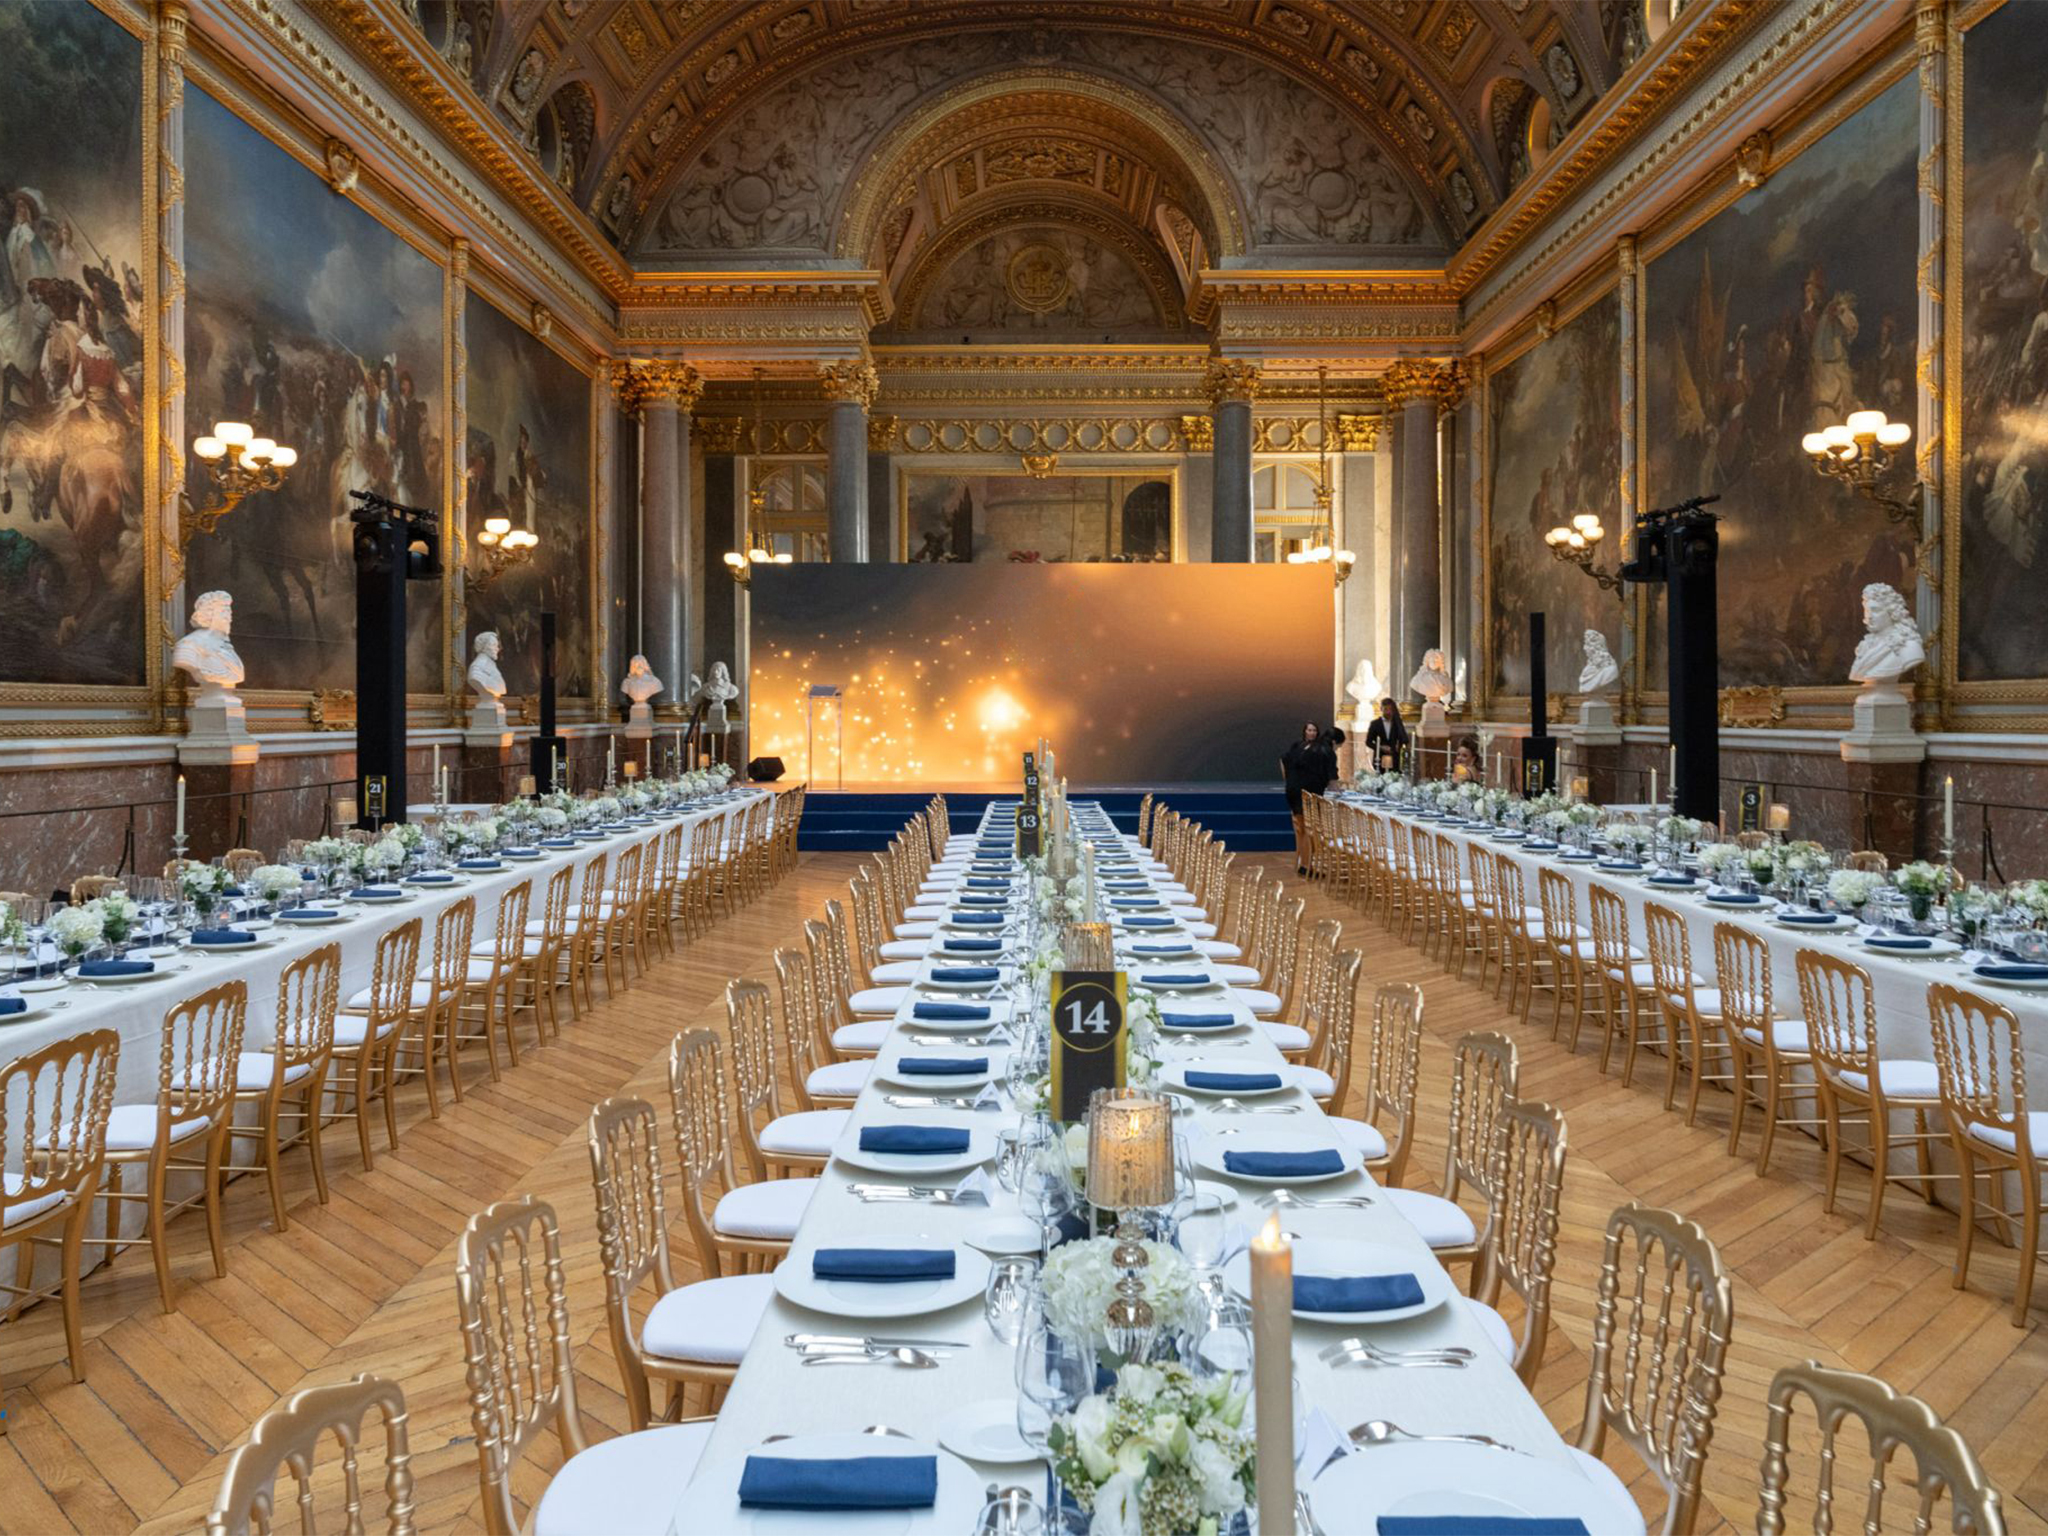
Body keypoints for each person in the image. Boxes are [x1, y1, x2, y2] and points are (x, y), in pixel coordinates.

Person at [1280, 721, 1345, 876]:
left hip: (1293, 792)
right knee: (1310, 830)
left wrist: (1289, 781)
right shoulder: (1327, 751)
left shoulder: (1304, 746)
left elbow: (1283, 760)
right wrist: (1340, 792)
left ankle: (1303, 864)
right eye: (1339, 746)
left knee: (1301, 828)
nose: (1338, 749)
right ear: (1334, 742)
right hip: (1309, 795)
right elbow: (1332, 782)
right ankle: (1308, 866)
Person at [1363, 698, 1409, 772]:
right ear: (1381, 709)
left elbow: (1405, 740)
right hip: (1380, 758)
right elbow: (1368, 742)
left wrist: (1399, 745)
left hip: (1395, 758)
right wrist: (1380, 747)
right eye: (1386, 709)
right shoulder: (1375, 724)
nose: (1388, 712)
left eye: (1390, 709)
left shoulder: (1397, 723)